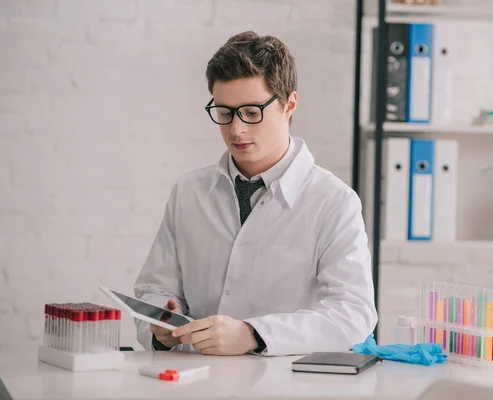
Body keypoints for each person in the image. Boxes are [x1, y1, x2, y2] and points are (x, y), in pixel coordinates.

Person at [133, 30, 377, 357]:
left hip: (285, 385)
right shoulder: (188, 192)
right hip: (194, 380)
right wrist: (160, 325)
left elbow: (353, 314)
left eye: (251, 112)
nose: (236, 130)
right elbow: (154, 289)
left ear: (289, 104)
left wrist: (254, 335)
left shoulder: (334, 201)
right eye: (224, 113)